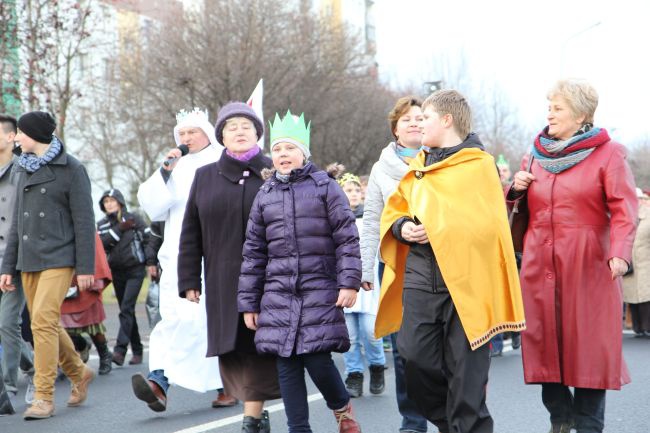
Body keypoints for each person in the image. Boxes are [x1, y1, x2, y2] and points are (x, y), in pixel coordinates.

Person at [376, 90, 526, 433]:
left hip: (467, 284)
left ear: (446, 120)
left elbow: (490, 227)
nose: (418, 124)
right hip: (420, 275)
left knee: (466, 377)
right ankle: (451, 425)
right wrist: (403, 227)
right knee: (413, 359)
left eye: (425, 117)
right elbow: (395, 210)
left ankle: (468, 426)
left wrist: (440, 229)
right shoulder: (419, 165)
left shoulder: (479, 166)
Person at [509, 78, 637, 433]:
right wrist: (515, 190)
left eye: (558, 107)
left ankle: (589, 425)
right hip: (539, 261)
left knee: (590, 348)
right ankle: (560, 417)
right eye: (549, 105)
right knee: (542, 342)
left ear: (581, 115)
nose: (549, 112)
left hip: (589, 262)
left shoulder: (609, 153)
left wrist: (620, 254)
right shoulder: (533, 155)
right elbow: (521, 211)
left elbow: (624, 209)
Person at [238, 111, 363, 433]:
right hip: (278, 292)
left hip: (319, 287)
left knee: (318, 359)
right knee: (287, 363)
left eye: (289, 148)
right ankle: (298, 429)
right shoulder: (264, 195)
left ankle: (342, 410)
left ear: (303, 154)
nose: (282, 154)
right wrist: (249, 303)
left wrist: (348, 282)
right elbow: (253, 252)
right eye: (277, 149)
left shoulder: (325, 187)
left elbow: (347, 238)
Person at [178, 102, 279, 432]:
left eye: (246, 126)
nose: (239, 131)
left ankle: (251, 416)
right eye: (232, 126)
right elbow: (191, 230)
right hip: (222, 279)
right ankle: (255, 409)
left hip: (270, 277)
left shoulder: (274, 172)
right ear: (220, 135)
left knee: (261, 347)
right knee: (232, 347)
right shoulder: (205, 176)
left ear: (257, 134)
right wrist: (189, 277)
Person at [0, 111, 96, 420]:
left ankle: (43, 396)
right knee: (47, 322)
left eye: (21, 133)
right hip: (28, 259)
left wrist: (85, 268)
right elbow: (16, 223)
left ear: (36, 135)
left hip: (60, 256)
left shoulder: (72, 168)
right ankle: (78, 371)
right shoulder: (21, 169)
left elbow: (84, 221)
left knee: (40, 321)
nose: (16, 138)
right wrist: (7, 266)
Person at [133, 107, 223, 412]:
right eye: (181, 134)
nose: (186, 138)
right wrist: (165, 171)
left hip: (215, 255)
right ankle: (158, 382)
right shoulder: (176, 167)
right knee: (174, 318)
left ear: (207, 133)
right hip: (178, 256)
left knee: (210, 320)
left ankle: (225, 383)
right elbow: (152, 206)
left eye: (192, 132)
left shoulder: (224, 161)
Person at [360, 96, 430, 433]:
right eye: (407, 119)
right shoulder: (380, 168)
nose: (414, 123)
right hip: (399, 265)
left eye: (420, 118)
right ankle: (412, 422)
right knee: (405, 351)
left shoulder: (444, 159)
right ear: (395, 128)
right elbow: (372, 218)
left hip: (443, 264)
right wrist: (364, 268)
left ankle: (448, 415)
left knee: (442, 351)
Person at [337, 170, 386, 398]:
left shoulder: (370, 218)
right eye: (348, 190)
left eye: (357, 190)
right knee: (350, 336)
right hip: (345, 286)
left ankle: (377, 366)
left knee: (371, 332)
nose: (354, 194)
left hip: (368, 287)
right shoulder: (335, 218)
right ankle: (354, 374)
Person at [0, 114, 35, 403]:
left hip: (17, 256)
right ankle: (33, 363)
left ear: (12, 137)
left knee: (8, 320)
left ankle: (8, 387)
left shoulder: (26, 167)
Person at [96, 188, 151, 366]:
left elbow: (148, 239)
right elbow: (102, 244)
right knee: (127, 311)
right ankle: (137, 350)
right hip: (116, 272)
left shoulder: (133, 218)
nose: (109, 204)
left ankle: (119, 351)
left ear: (120, 202)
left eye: (112, 200)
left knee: (126, 308)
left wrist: (151, 262)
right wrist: (120, 228)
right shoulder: (102, 224)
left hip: (136, 270)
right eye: (106, 201)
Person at [61, 233, 113, 375]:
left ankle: (104, 355)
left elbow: (95, 249)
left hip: (85, 277)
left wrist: (96, 280)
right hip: (62, 276)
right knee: (60, 325)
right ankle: (71, 355)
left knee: (93, 324)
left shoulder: (84, 221)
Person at [623, 188, 650, 337]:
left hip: (646, 263)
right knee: (632, 298)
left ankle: (648, 327)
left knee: (646, 297)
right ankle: (637, 328)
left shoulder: (648, 215)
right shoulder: (625, 215)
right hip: (630, 264)